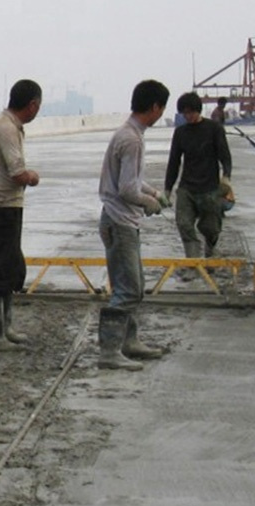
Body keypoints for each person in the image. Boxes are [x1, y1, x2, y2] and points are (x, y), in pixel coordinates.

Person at [97, 80, 171, 370]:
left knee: (129, 285)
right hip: (120, 221)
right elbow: (127, 189)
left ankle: (128, 341)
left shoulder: (127, 134)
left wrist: (153, 192)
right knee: (129, 288)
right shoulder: (132, 140)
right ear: (154, 107)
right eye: (161, 108)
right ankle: (110, 350)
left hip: (117, 219)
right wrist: (147, 202)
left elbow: (133, 181)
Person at [0, 79, 42, 351]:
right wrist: (33, 177)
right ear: (32, 105)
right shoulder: (7, 129)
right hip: (1, 208)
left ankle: (4, 326)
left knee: (10, 266)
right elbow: (17, 173)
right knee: (1, 271)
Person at [164, 92, 233, 274]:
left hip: (210, 188)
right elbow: (174, 162)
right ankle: (192, 264)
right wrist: (167, 189)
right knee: (184, 224)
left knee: (210, 228)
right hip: (187, 187)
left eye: (191, 112)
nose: (188, 116)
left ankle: (210, 251)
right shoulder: (180, 133)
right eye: (184, 113)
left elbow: (225, 155)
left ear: (198, 110)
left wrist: (226, 176)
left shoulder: (214, 129)